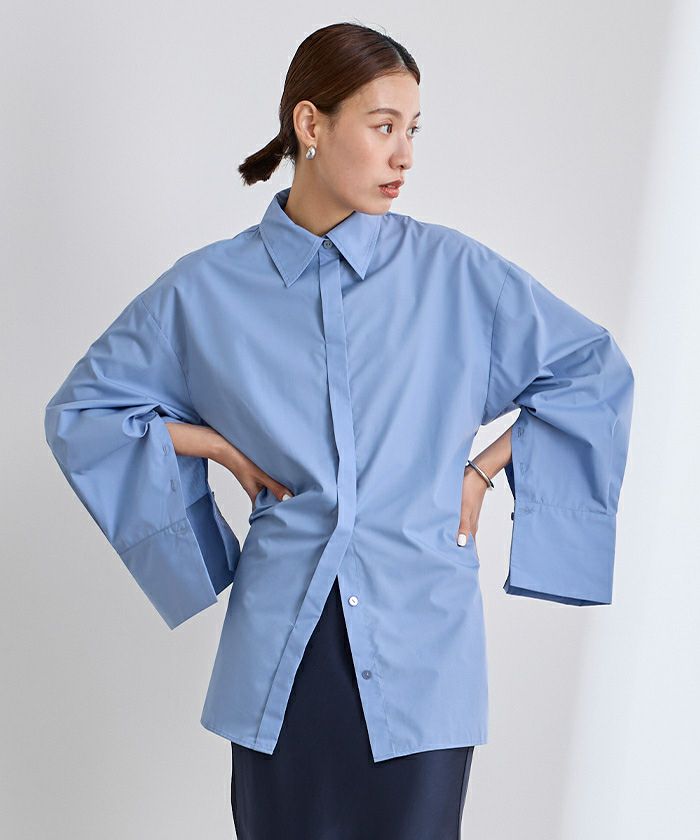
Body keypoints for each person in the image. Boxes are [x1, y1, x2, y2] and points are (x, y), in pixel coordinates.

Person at [43, 21, 635, 840]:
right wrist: (215, 446)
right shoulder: (206, 291)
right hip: (283, 654)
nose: (405, 156)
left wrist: (481, 471)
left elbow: (591, 371)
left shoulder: (456, 274)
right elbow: (84, 412)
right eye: (384, 126)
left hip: (422, 650)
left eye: (413, 130)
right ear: (310, 124)